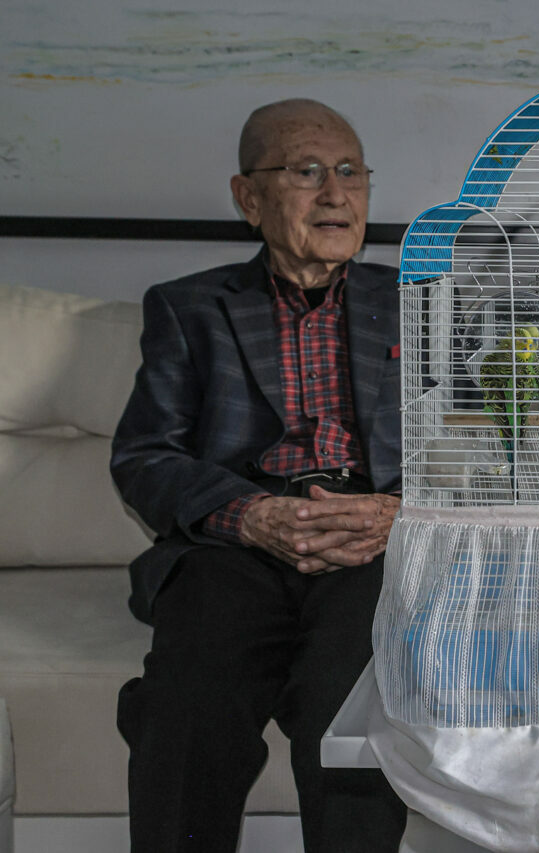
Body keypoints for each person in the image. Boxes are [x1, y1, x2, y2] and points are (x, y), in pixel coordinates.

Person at [111, 98, 407, 852]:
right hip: (237, 537)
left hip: (369, 538)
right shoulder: (188, 307)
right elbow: (145, 456)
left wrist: (395, 511)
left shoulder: (420, 303)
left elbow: (483, 446)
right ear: (249, 197)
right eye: (307, 171)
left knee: (351, 705)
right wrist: (249, 516)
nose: (335, 193)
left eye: (350, 171)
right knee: (188, 703)